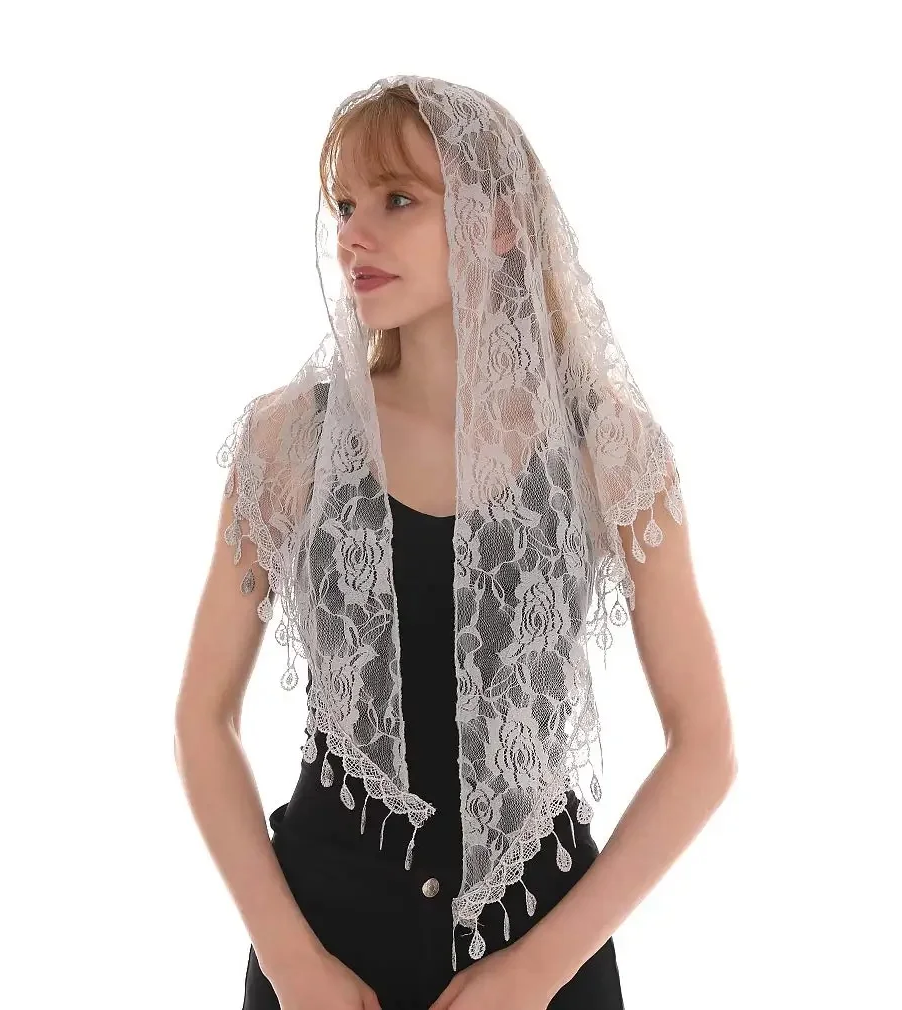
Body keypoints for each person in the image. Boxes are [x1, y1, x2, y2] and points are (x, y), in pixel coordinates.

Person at [174, 75, 735, 1010]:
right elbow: (202, 719)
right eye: (344, 206)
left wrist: (535, 972)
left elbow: (705, 747)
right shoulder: (291, 439)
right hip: (323, 958)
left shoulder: (607, 449)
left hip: (542, 957)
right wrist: (291, 963)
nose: (354, 235)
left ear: (501, 222)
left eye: (397, 200)